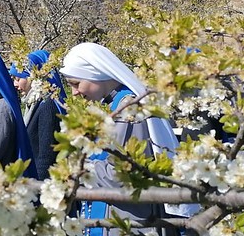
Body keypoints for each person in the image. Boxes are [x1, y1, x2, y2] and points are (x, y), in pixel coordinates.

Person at [59, 42, 184, 236]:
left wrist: (79, 168)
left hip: (130, 217)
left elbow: (123, 173)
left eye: (76, 84)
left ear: (95, 74)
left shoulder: (129, 111)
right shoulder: (115, 105)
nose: (75, 92)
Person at [9, 49, 66, 180]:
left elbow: (46, 157)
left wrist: (37, 190)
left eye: (19, 79)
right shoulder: (33, 103)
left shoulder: (47, 106)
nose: (15, 84)